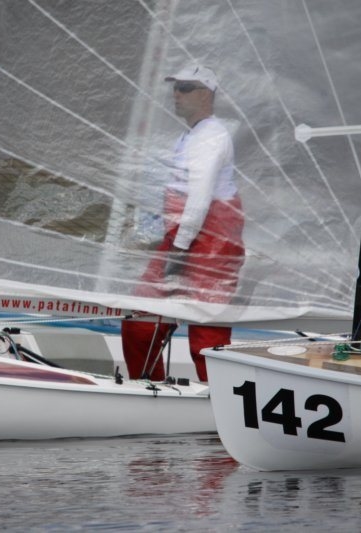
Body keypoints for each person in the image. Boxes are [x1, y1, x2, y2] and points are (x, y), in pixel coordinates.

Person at [122, 65, 245, 383]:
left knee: (206, 338)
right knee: (140, 322)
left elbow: (199, 200)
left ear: (206, 95)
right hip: (186, 238)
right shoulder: (192, 135)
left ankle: (217, 398)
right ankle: (146, 386)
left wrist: (178, 249)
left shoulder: (211, 137)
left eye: (186, 88)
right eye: (175, 88)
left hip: (212, 245)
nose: (176, 94)